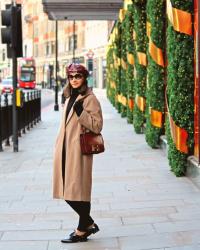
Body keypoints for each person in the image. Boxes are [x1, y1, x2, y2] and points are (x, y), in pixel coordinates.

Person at [53, 63, 103, 243]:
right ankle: (86, 225)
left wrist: (81, 112)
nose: (74, 80)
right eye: (71, 77)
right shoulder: (68, 97)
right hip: (65, 149)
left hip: (79, 151)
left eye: (78, 76)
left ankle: (84, 227)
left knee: (76, 191)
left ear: (84, 78)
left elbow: (97, 126)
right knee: (68, 189)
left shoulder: (90, 99)